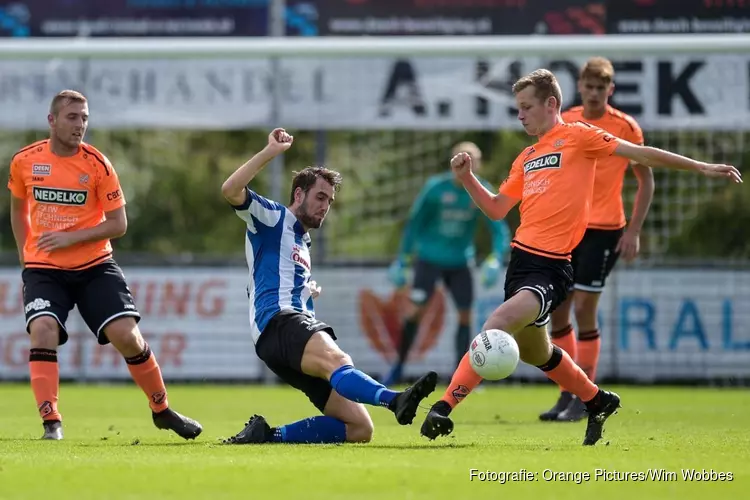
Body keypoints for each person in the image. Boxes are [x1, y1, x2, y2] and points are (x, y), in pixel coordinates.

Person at [419, 69, 741, 446]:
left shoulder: (579, 136)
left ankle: (442, 408)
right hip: (519, 264)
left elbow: (641, 155)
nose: (519, 115)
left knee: (495, 326)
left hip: (551, 267)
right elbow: (495, 208)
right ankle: (596, 399)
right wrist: (468, 178)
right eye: (517, 108)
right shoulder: (527, 156)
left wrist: (700, 166)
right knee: (538, 353)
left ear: (551, 104)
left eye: (526, 107)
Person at [220, 128, 438, 445]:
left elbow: (270, 280)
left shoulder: (302, 242)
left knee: (359, 428)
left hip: (280, 335)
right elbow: (230, 189)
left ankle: (268, 435)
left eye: (330, 201)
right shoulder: (273, 217)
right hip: (279, 324)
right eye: (320, 197)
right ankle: (394, 400)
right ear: (298, 195)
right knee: (339, 362)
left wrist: (307, 297)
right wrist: (270, 152)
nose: (326, 206)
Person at [7, 90, 202, 441]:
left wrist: (71, 237)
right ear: (51, 121)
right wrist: (26, 255)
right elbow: (18, 209)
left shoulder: (97, 165)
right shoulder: (24, 161)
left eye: (84, 117)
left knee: (126, 336)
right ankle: (51, 421)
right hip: (44, 268)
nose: (80, 124)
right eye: (72, 117)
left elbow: (118, 224)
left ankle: (161, 409)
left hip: (95, 264)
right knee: (43, 331)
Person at [540, 57, 655, 422]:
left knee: (585, 308)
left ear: (610, 90)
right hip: (568, 226)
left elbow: (646, 179)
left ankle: (585, 397)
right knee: (558, 309)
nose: (593, 93)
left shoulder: (626, 126)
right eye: (587, 87)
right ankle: (567, 392)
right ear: (580, 88)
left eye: (599, 88)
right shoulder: (568, 119)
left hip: (605, 230)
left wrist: (634, 231)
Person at [385, 142, 511, 385]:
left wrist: (496, 258)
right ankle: (398, 368)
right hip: (429, 260)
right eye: (461, 160)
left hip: (460, 262)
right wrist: (403, 259)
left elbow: (499, 230)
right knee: (415, 312)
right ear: (453, 162)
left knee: (465, 316)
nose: (465, 165)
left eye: (472, 161)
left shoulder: (482, 191)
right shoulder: (435, 189)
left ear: (478, 164)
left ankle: (461, 375)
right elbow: (415, 224)